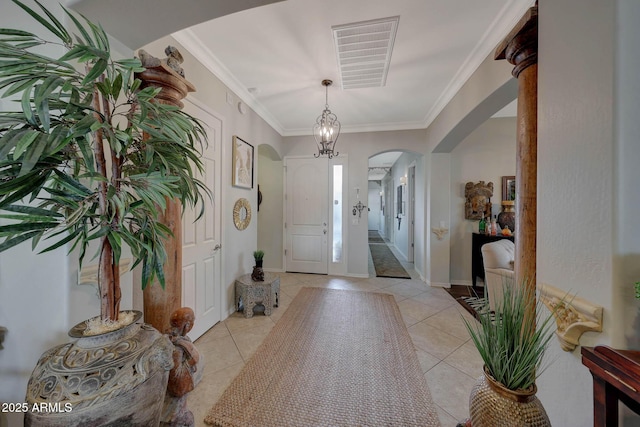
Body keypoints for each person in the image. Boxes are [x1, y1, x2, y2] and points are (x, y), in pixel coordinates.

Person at [161, 307, 203, 427]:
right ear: (187, 325)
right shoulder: (177, 348)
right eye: (191, 323)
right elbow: (176, 381)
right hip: (174, 406)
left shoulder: (172, 338)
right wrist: (192, 361)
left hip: (175, 399)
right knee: (182, 417)